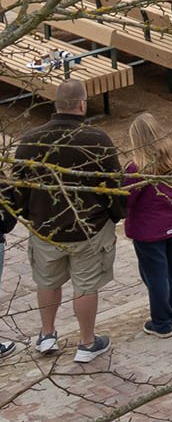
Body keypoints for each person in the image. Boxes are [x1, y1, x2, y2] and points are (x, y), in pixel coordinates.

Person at [1, 77, 126, 364]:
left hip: (45, 229)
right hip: (88, 228)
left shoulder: (30, 139)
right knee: (85, 286)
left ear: (55, 105)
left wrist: (27, 214)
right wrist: (116, 215)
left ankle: (46, 335)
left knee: (47, 281)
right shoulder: (97, 139)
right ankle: (86, 342)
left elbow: (18, 187)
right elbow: (114, 186)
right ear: (82, 105)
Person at [122, 114, 172, 339]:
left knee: (156, 275)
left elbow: (126, 200)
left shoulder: (137, 169)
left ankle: (161, 322)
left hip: (148, 231)